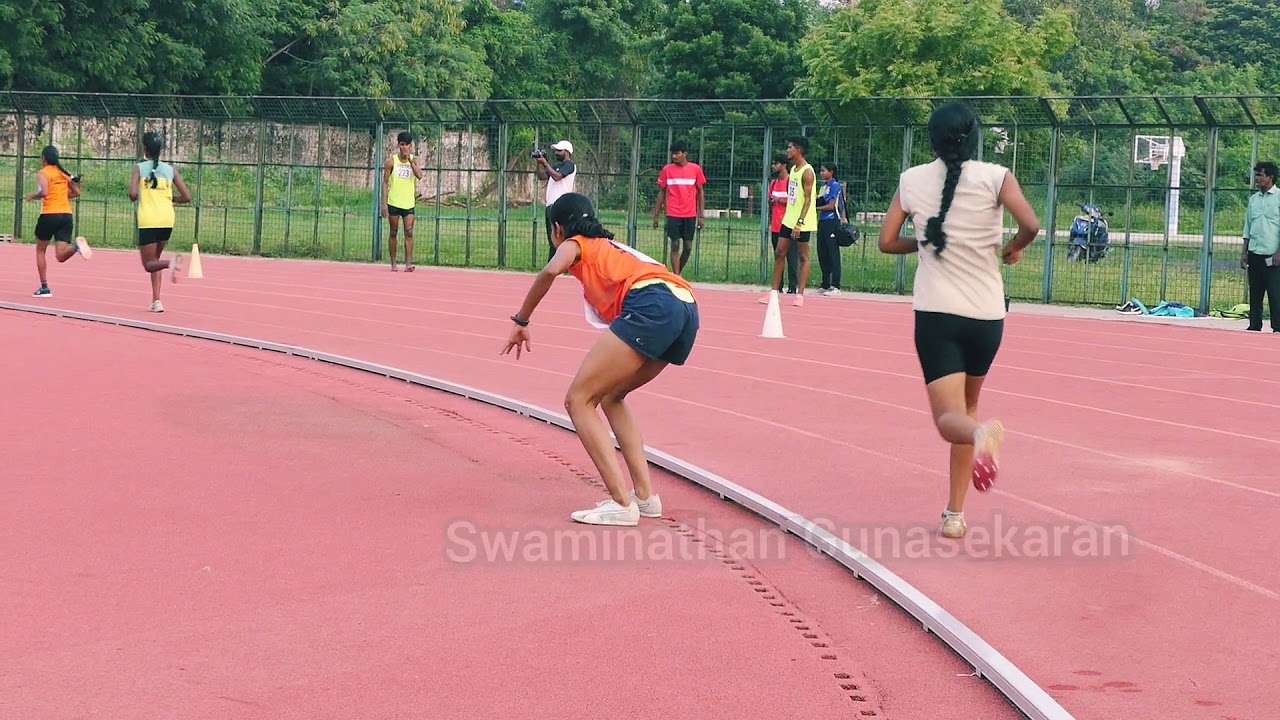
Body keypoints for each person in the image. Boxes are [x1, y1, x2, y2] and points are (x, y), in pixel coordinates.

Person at [876, 102, 1040, 540]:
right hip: (987, 316)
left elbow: (886, 242)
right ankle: (954, 514)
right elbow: (1031, 224)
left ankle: (985, 436)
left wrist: (925, 243)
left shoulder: (911, 181)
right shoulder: (997, 176)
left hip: (938, 314)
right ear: (973, 138)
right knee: (966, 412)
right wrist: (1011, 248)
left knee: (951, 419)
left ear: (931, 139)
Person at [502, 192, 700, 527]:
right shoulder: (611, 247)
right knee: (611, 396)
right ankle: (644, 497)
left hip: (652, 303)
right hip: (686, 305)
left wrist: (521, 320)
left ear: (557, 228)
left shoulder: (576, 243)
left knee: (578, 399)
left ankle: (622, 504)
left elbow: (550, 271)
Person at [129, 132, 191, 312]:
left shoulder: (139, 168)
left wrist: (139, 195)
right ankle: (157, 300)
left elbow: (133, 194)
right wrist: (171, 200)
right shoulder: (171, 170)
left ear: (145, 150)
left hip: (149, 220)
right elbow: (187, 197)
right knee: (154, 259)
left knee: (149, 264)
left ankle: (171, 263)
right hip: (167, 219)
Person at [26, 145, 92, 298]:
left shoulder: (43, 173)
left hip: (50, 214)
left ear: (44, 159)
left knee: (41, 250)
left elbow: (45, 192)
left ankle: (44, 287)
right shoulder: (64, 174)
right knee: (60, 256)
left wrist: (32, 196)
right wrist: (61, 196)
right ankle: (76, 247)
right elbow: (77, 192)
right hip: (66, 215)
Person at [760, 137, 815, 307]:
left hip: (802, 220)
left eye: (790, 147)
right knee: (779, 252)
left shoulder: (807, 171)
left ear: (798, 150)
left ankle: (800, 294)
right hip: (788, 218)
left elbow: (807, 200)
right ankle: (774, 292)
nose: (787, 150)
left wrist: (799, 222)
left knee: (802, 255)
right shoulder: (793, 170)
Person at [652, 139, 706, 276]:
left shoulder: (695, 169)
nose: (674, 156)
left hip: (690, 214)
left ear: (685, 154)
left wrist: (701, 215)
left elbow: (700, 192)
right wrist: (656, 215)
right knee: (675, 245)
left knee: (688, 247)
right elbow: (662, 192)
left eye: (677, 153)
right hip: (673, 213)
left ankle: (678, 272)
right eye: (673, 154)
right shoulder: (667, 170)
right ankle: (676, 276)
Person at [1242, 161, 1279, 332]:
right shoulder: (1253, 200)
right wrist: (1244, 251)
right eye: (1256, 175)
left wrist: (1279, 252)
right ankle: (1254, 325)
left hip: (1272, 254)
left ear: (1270, 177)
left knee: (1275, 292)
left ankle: (1277, 326)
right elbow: (1248, 226)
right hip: (1254, 252)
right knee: (1255, 293)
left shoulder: (1279, 197)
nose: (1257, 179)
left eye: (1260, 175)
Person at [382, 132, 423, 271]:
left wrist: (410, 161)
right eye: (402, 145)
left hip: (408, 203)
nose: (405, 148)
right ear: (399, 145)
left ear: (411, 146)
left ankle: (408, 263)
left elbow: (419, 176)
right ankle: (393, 263)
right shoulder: (391, 162)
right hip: (394, 202)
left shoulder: (415, 160)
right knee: (393, 231)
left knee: (409, 231)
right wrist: (384, 204)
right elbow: (385, 182)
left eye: (408, 145)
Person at [535, 140, 577, 261]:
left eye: (559, 151)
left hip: (561, 206)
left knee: (560, 238)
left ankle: (559, 264)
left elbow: (557, 177)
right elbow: (542, 176)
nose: (557, 153)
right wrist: (540, 163)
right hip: (551, 206)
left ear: (567, 152)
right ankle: (554, 264)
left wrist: (545, 163)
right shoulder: (557, 166)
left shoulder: (569, 165)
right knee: (552, 238)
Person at [767, 156, 799, 294]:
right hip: (775, 225)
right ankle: (778, 286)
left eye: (776, 163)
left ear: (784, 165)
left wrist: (779, 199)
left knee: (791, 257)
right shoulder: (773, 183)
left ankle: (793, 286)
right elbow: (770, 201)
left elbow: (794, 201)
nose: (774, 166)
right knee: (778, 255)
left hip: (787, 224)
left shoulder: (790, 182)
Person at [814, 162, 846, 296]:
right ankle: (825, 283)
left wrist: (814, 208)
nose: (821, 173)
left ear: (831, 172)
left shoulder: (835, 186)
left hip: (832, 221)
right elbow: (820, 200)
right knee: (822, 252)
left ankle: (835, 285)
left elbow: (831, 205)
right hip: (822, 221)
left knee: (833, 253)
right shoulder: (823, 187)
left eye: (823, 170)